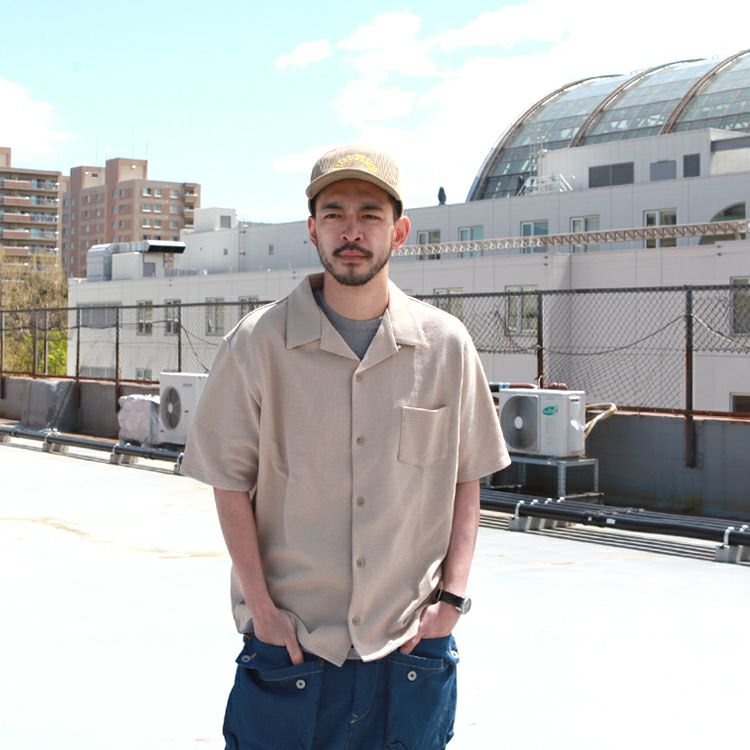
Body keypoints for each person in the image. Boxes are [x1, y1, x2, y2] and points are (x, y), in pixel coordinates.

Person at [180, 145, 510, 750]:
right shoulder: (258, 343)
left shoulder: (446, 346)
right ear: (312, 230)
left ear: (399, 231)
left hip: (409, 650)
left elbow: (467, 477)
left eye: (369, 215)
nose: (350, 231)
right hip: (293, 648)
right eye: (333, 214)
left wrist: (452, 601)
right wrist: (263, 612)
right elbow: (229, 483)